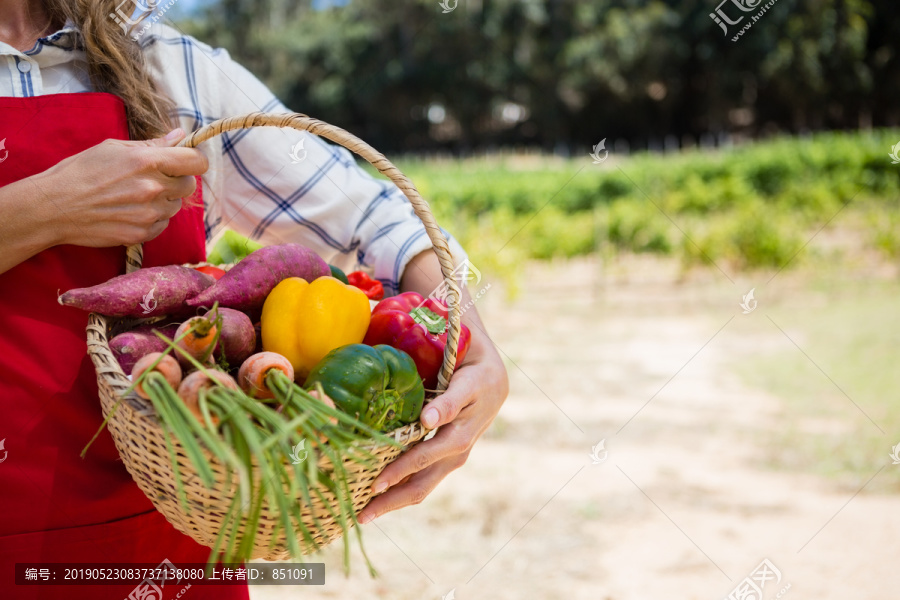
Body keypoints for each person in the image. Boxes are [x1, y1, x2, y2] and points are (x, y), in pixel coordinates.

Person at [0, 1, 509, 598]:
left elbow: (375, 219)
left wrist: (477, 354)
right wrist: (47, 206)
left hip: (172, 545)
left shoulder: (167, 67)